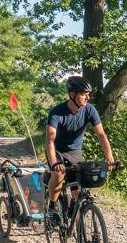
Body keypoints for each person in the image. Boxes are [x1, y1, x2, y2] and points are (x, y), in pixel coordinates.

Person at [45, 75, 115, 204]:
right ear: (72, 95)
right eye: (83, 94)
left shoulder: (89, 110)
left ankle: (74, 211)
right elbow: (49, 140)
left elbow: (101, 135)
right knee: (59, 174)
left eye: (88, 94)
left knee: (78, 189)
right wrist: (54, 163)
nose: (88, 98)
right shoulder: (56, 113)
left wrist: (109, 158)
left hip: (75, 151)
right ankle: (52, 206)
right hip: (57, 150)